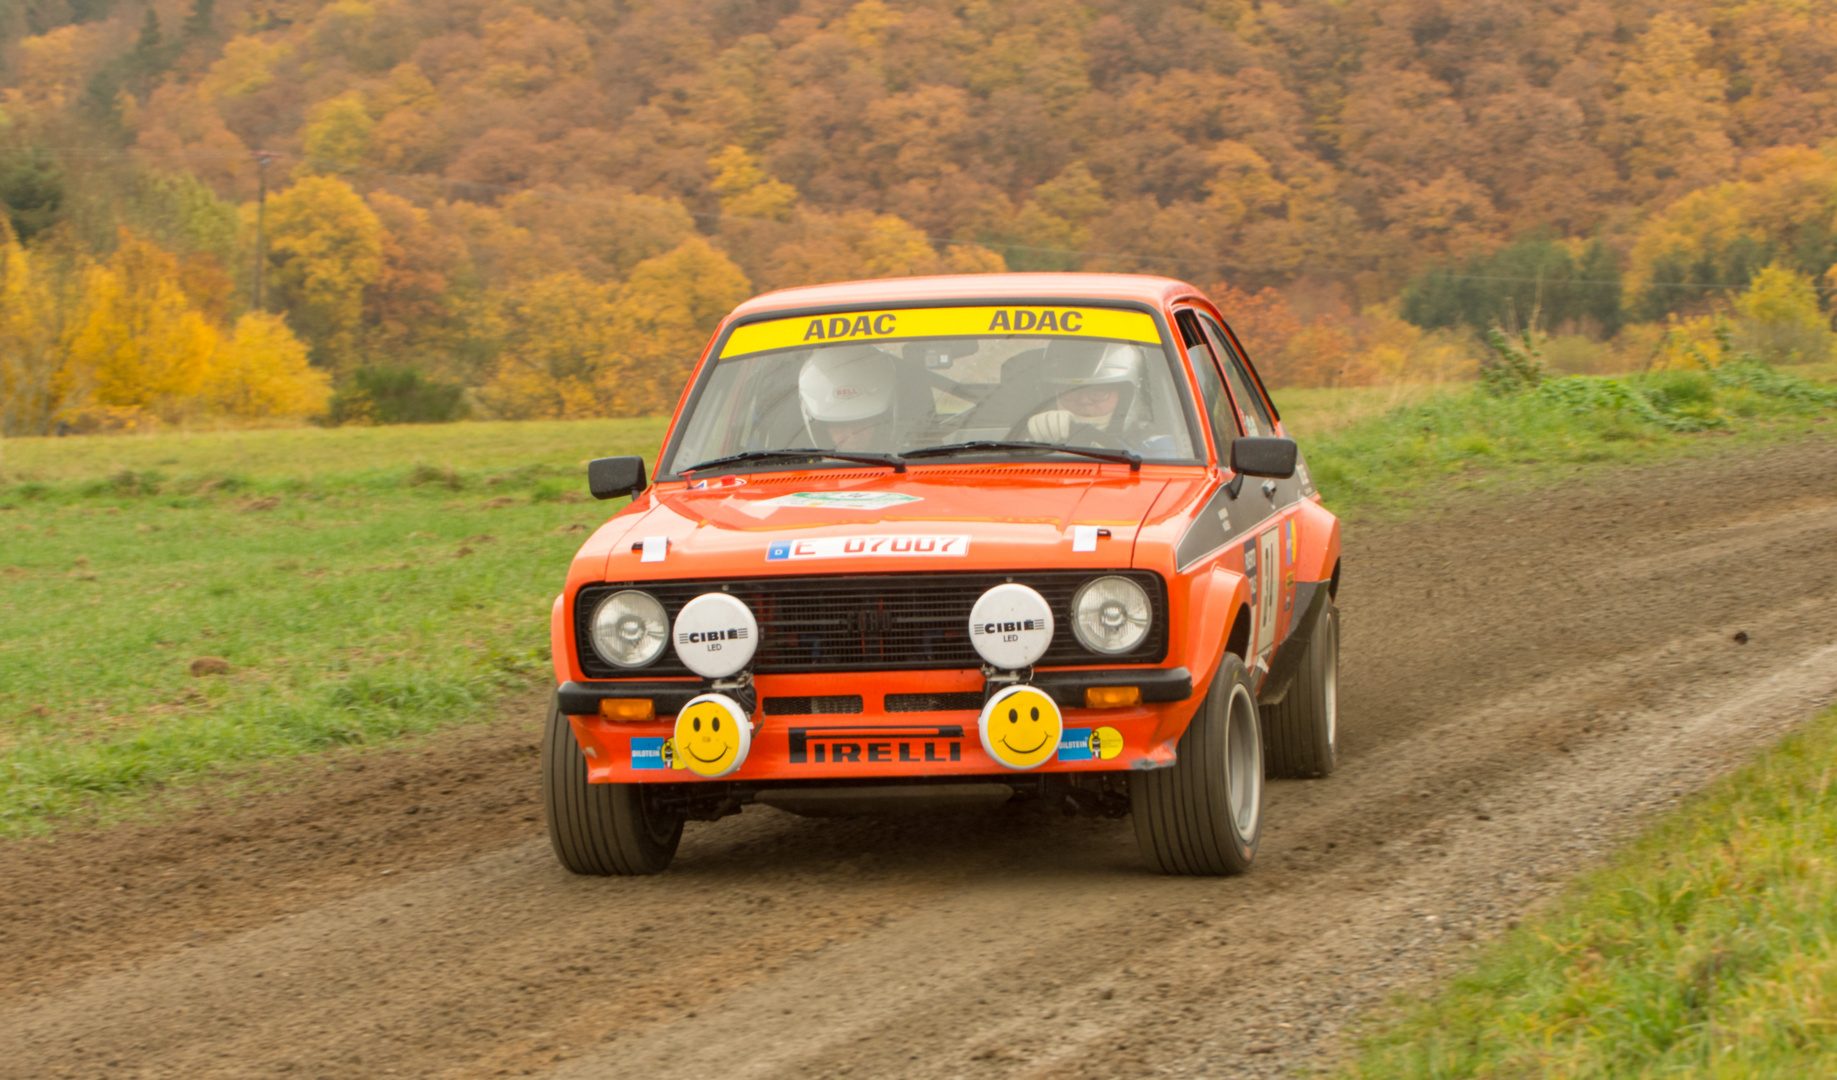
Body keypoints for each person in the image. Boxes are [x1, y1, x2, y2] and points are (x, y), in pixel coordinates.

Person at [1024, 340, 1153, 450]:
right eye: (1071, 390)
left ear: (1125, 397)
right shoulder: (1027, 441)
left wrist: (1103, 442)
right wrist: (1030, 444)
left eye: (1099, 391)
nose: (1084, 400)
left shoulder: (1155, 446)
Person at [798, 345, 901, 451]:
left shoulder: (907, 457)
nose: (853, 437)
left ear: (878, 420)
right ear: (823, 427)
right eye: (841, 426)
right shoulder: (794, 463)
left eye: (861, 423)